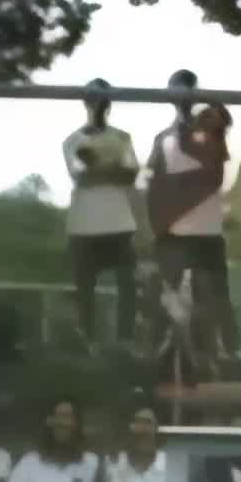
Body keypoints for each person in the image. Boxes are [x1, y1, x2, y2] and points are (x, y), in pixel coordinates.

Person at [146, 69, 235, 371]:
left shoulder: (209, 129)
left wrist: (206, 99)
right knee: (170, 295)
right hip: (174, 231)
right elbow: (153, 180)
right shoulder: (163, 138)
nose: (181, 97)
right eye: (176, 90)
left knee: (214, 296)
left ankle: (218, 354)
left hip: (207, 228)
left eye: (187, 90)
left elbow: (224, 122)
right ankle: (167, 354)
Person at [62, 78, 142, 350]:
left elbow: (130, 175)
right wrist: (113, 169)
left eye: (103, 100)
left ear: (109, 105)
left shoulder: (122, 138)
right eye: (93, 100)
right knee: (85, 289)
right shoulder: (73, 140)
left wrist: (99, 169)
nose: (98, 105)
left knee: (128, 286)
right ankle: (88, 342)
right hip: (84, 226)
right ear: (86, 103)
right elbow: (82, 178)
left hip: (119, 223)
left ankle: (125, 342)